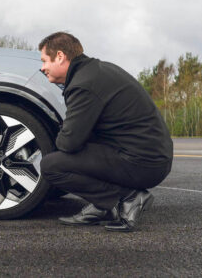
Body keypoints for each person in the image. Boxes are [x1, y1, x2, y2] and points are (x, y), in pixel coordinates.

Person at [39, 32, 173, 232]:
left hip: (143, 162)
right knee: (76, 151)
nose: (42, 68)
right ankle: (103, 207)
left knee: (52, 165)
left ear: (60, 56)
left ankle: (128, 197)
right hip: (150, 156)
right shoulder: (96, 71)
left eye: (44, 61)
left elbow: (69, 143)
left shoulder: (83, 84)